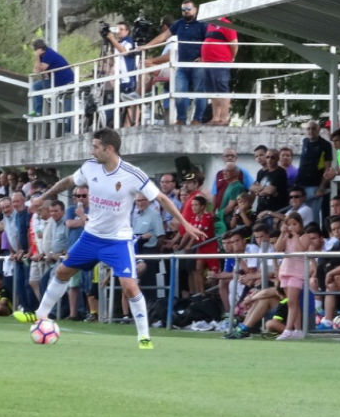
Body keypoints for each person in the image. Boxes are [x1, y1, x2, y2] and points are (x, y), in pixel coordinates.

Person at [13, 128, 203, 349]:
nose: (91, 151)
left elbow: (160, 197)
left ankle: (144, 336)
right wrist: (43, 198)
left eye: (95, 147)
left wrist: (186, 223)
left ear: (109, 148)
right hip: (91, 236)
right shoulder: (90, 167)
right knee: (62, 271)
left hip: (118, 241)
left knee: (129, 286)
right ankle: (40, 315)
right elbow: (68, 181)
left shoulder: (133, 174)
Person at [145, 0, 208, 124]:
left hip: (198, 64)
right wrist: (147, 46)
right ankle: (181, 119)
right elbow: (164, 36)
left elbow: (208, 41)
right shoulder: (179, 24)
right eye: (183, 9)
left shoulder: (202, 24)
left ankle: (197, 119)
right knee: (178, 91)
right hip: (182, 64)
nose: (186, 12)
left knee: (200, 92)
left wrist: (203, 56)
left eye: (188, 9)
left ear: (195, 9)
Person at [201, 17, 238, 125]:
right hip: (208, 62)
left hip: (220, 61)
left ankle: (224, 118)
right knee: (213, 90)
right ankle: (216, 118)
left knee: (222, 89)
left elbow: (234, 44)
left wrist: (231, 58)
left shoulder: (227, 25)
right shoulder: (210, 25)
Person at [30, 39, 74, 117]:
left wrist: (37, 57)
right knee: (36, 86)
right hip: (57, 81)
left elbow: (40, 69)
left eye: (35, 50)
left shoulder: (49, 54)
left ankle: (38, 112)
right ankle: (37, 111)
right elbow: (36, 70)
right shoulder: (43, 56)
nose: (35, 52)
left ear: (39, 49)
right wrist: (38, 59)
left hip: (65, 82)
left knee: (36, 87)